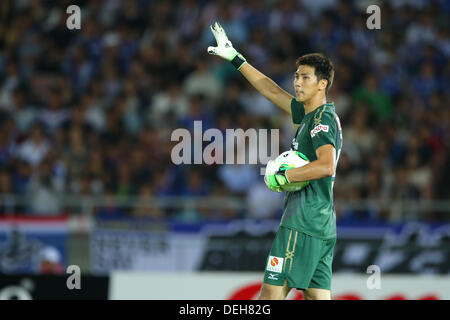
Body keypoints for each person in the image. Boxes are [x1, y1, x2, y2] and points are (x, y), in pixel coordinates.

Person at [208, 22, 342, 300]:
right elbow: (271, 91)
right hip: (322, 224)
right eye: (296, 76)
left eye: (305, 77)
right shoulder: (309, 115)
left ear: (322, 84)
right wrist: (236, 58)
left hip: (302, 222)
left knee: (270, 295)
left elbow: (327, 165)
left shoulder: (320, 120)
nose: (297, 82)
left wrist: (284, 177)